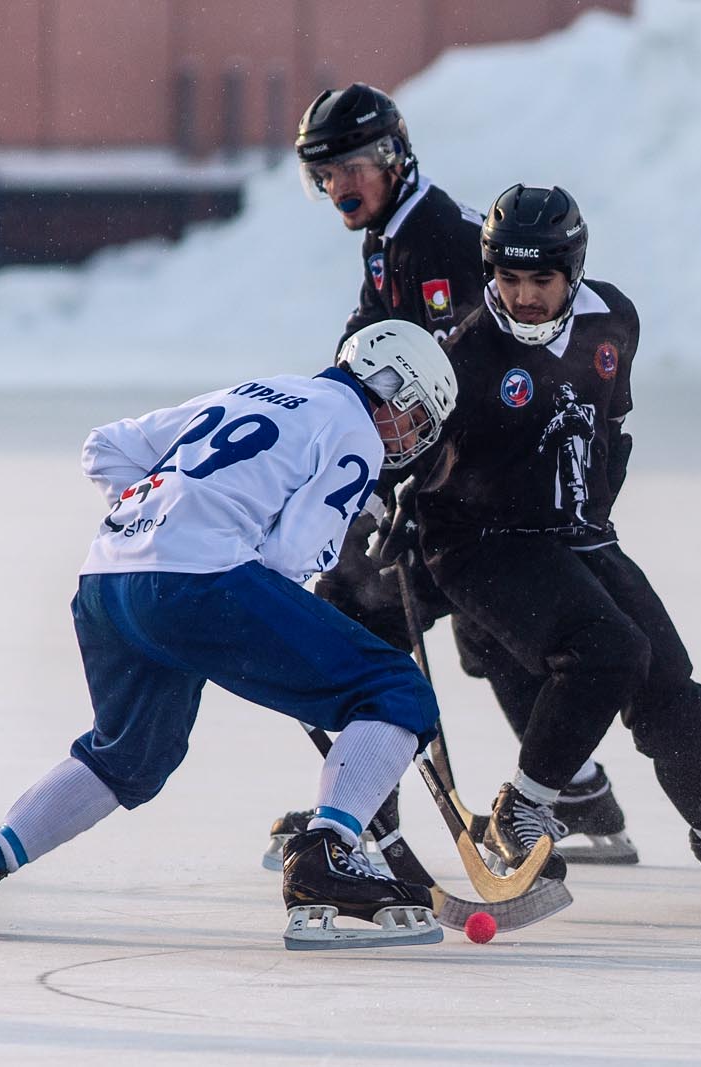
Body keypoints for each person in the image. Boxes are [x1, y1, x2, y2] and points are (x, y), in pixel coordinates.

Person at [0, 320, 460, 949]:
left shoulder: (252, 391)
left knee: (129, 757)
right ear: (388, 386)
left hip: (107, 580)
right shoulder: (355, 428)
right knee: (393, 690)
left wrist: (156, 520)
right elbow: (294, 553)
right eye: (414, 415)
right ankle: (326, 854)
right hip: (199, 583)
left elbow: (105, 447)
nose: (410, 437)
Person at [399, 183, 701, 896]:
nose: (523, 296)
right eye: (508, 278)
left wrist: (592, 513)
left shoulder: (613, 321)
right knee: (606, 652)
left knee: (673, 684)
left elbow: (609, 428)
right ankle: (524, 808)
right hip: (478, 541)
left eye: (541, 280)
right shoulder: (464, 352)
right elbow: (404, 448)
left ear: (574, 272)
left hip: (576, 534)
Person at [269, 83, 637, 866]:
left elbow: (512, 363)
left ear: (396, 158)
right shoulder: (389, 241)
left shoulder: (446, 239)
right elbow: (368, 358)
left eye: (353, 165)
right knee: (480, 640)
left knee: (359, 626)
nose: (339, 185)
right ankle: (576, 790)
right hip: (446, 488)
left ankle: (364, 810)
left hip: (473, 495)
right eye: (324, 173)